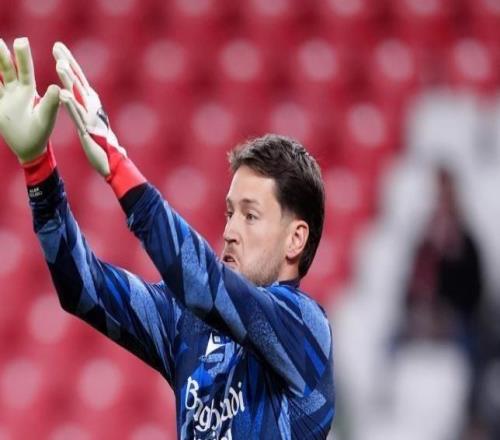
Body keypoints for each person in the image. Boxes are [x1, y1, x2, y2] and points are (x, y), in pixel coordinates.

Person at [0, 37, 335, 439]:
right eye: (230, 213)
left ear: (295, 239)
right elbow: (83, 288)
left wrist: (118, 167)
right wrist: (38, 167)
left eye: (250, 216)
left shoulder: (304, 328)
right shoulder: (185, 325)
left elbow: (204, 283)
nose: (229, 231)